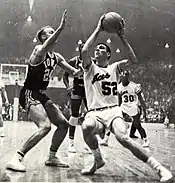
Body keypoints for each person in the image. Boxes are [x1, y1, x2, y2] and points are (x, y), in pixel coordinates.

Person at [80, 14, 173, 182]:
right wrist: (98, 29)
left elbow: (133, 60)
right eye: (97, 48)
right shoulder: (89, 68)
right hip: (94, 112)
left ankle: (159, 168)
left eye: (101, 48)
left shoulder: (114, 67)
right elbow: (85, 50)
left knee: (123, 138)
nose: (97, 50)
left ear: (108, 55)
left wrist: (122, 37)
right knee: (86, 127)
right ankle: (98, 158)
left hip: (113, 110)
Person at [6, 10, 82, 172]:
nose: (53, 33)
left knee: (63, 124)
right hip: (29, 92)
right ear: (43, 37)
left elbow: (74, 72)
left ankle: (52, 156)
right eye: (50, 32)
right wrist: (61, 28)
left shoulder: (57, 57)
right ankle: (16, 157)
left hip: (40, 94)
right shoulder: (38, 50)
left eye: (54, 32)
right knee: (45, 126)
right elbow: (44, 48)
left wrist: (82, 66)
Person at [100, 70, 150, 147]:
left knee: (137, 125)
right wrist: (116, 109)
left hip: (133, 107)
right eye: (123, 76)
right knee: (112, 121)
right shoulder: (119, 87)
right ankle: (106, 139)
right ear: (121, 77)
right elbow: (119, 100)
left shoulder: (134, 86)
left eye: (126, 76)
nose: (124, 78)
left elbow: (142, 100)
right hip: (124, 107)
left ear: (128, 77)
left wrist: (145, 113)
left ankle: (146, 140)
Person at [63, 42, 88, 153]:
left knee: (91, 115)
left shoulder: (93, 62)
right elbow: (65, 76)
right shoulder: (73, 61)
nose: (84, 49)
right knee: (74, 116)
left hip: (88, 91)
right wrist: (68, 86)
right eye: (82, 47)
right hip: (77, 89)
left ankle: (89, 143)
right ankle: (71, 143)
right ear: (79, 49)